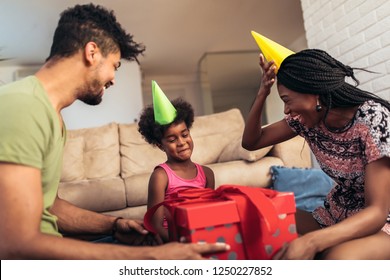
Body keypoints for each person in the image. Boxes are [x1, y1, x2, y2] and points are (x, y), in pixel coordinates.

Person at [0, 3, 228, 259]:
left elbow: (50, 206)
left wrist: (115, 224)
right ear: (92, 52)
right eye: (115, 66)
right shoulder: (23, 105)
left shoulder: (53, 118)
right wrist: (150, 258)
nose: (113, 79)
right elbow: (14, 243)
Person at [242, 49, 390, 259]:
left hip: (380, 219)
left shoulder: (373, 119)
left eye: (287, 100)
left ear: (314, 94)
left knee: (339, 259)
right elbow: (251, 142)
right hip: (339, 212)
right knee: (268, 218)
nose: (286, 110)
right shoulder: (308, 122)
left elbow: (377, 211)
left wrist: (312, 241)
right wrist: (262, 92)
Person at [138, 97, 215, 242]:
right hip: (172, 240)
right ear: (161, 146)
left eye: (185, 135)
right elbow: (155, 224)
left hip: (201, 236)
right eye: (172, 140)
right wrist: (183, 245)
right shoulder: (161, 176)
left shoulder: (207, 174)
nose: (181, 143)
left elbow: (209, 214)